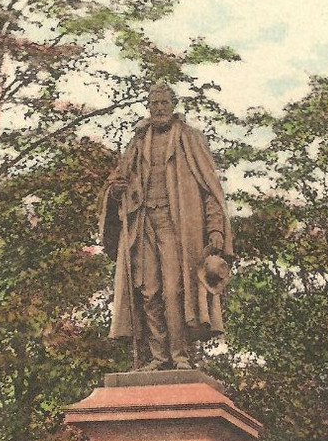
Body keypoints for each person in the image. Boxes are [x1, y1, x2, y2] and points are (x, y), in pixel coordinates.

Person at [99, 82, 232, 370]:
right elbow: (115, 184)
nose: (159, 108)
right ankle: (158, 357)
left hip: (177, 228)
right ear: (148, 106)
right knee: (148, 291)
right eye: (154, 103)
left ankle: (180, 355)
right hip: (144, 224)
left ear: (173, 106)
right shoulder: (137, 143)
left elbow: (210, 190)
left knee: (175, 291)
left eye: (164, 103)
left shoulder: (190, 139)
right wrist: (116, 190)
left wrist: (216, 230)